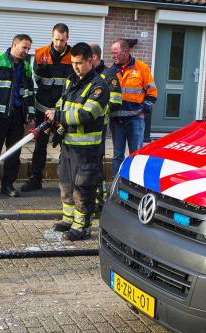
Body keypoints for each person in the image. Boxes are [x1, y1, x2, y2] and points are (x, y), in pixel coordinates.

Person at [47, 42, 110, 241]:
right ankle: (68, 219)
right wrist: (54, 115)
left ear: (91, 61)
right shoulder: (72, 80)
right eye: (73, 62)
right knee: (66, 183)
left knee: (83, 187)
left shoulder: (99, 86)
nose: (75, 66)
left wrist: (58, 115)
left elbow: (86, 114)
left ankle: (82, 226)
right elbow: (62, 102)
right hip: (68, 145)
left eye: (79, 63)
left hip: (86, 149)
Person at [0, 34, 35, 199]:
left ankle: (7, 185)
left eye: (29, 48)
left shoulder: (26, 67)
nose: (26, 51)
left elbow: (29, 92)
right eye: (24, 47)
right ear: (14, 45)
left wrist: (30, 113)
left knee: (14, 153)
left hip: (18, 115)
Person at [21, 24, 73, 192]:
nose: (59, 43)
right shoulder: (40, 53)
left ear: (67, 38)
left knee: (68, 147)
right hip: (42, 108)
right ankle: (35, 179)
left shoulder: (73, 55)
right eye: (56, 39)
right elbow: (35, 79)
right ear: (52, 36)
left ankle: (68, 182)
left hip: (63, 111)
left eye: (62, 40)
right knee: (40, 145)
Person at [109, 39, 157, 174]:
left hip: (135, 120)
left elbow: (152, 93)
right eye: (111, 53)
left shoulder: (142, 68)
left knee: (135, 155)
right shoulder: (110, 71)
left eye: (115, 53)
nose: (112, 56)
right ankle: (117, 186)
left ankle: (133, 185)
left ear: (125, 52)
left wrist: (143, 110)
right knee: (117, 156)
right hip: (116, 121)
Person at [89, 42, 122, 214]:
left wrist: (97, 113)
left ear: (94, 57)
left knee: (96, 161)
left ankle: (99, 199)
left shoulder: (109, 75)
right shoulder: (87, 75)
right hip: (84, 127)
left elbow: (116, 100)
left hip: (98, 127)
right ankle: (90, 197)